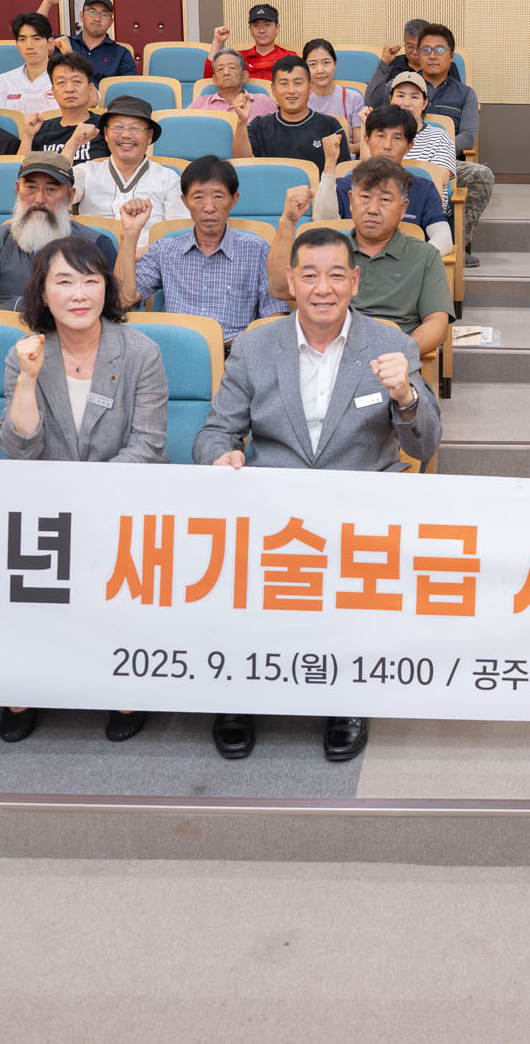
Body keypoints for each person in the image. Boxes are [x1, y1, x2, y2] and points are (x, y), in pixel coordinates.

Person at [192, 225, 440, 762]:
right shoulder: (255, 346)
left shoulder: (393, 345)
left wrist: (405, 395)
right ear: (290, 281)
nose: (322, 288)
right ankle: (239, 692)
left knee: (357, 576)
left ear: (355, 281)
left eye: (335, 275)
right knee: (233, 564)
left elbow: (424, 445)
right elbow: (215, 431)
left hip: (361, 508)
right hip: (275, 505)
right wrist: (220, 455)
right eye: (309, 275)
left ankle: (346, 697)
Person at [0, 235, 170, 744]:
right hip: (46, 507)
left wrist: (88, 499)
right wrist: (27, 380)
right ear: (42, 293)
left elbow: (148, 445)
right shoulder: (25, 353)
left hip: (123, 503)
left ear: (106, 289)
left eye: (91, 281)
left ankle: (123, 686)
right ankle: (27, 686)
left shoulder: (140, 352)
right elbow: (21, 449)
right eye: (64, 281)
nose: (79, 293)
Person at [272, 160, 451, 360]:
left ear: (403, 208)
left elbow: (437, 322)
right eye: (365, 197)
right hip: (326, 355)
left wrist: (402, 354)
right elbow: (280, 289)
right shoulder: (325, 250)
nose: (373, 209)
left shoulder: (425, 255)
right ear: (351, 201)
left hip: (391, 359)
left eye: (385, 200)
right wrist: (288, 221)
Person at [120, 155, 286, 329]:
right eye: (198, 197)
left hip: (236, 344)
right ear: (185, 201)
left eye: (218, 196)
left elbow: (275, 315)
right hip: (179, 343)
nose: (209, 208)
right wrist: (130, 235)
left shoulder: (257, 250)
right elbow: (125, 299)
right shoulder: (163, 250)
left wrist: (246, 342)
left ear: (234, 200)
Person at [0, 153, 118, 312]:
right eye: (30, 187)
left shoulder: (96, 244)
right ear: (17, 189)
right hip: (8, 334)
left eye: (51, 189)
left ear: (70, 196)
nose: (39, 199)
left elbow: (113, 308)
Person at [324, 105, 452, 248]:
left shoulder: (424, 188)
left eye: (397, 138)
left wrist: (416, 258)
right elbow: (323, 225)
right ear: (367, 140)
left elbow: (444, 237)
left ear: (409, 146)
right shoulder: (343, 186)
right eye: (380, 136)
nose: (387, 145)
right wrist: (330, 164)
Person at [75, 96, 182, 246]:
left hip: (147, 257)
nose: (126, 135)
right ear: (106, 134)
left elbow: (178, 236)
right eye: (118, 127)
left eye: (135, 128)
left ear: (149, 136)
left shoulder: (169, 179)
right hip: (91, 256)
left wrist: (135, 256)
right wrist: (73, 143)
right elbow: (55, 193)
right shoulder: (87, 172)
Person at [246, 55, 350, 170]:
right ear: (273, 89)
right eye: (284, 84)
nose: (291, 91)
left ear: (310, 87)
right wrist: (241, 122)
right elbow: (243, 163)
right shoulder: (258, 126)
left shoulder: (330, 126)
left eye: (298, 83)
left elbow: (343, 173)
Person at [26, 52, 108, 165]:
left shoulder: (105, 125)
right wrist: (28, 137)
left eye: (77, 81)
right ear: (53, 91)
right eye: (61, 82)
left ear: (90, 89)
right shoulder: (41, 129)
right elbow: (20, 170)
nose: (69, 89)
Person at [387, 72, 458, 199]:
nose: (406, 103)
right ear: (390, 99)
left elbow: (440, 178)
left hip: (426, 203)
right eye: (400, 95)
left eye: (414, 97)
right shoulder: (381, 134)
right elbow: (369, 173)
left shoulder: (439, 136)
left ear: (424, 103)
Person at [414, 23, 481, 157]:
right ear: (419, 55)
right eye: (426, 50)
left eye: (439, 50)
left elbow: (468, 137)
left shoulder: (466, 94)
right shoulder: (402, 88)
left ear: (451, 56)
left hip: (448, 159)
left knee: (482, 170)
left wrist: (437, 149)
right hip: (409, 158)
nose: (432, 56)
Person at [0, 11, 59, 115]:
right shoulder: (3, 82)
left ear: (50, 43)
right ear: (17, 44)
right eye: (22, 40)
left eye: (36, 39)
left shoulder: (64, 79)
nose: (29, 46)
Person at [305, 38, 366, 142]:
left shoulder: (353, 98)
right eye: (313, 64)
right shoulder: (299, 99)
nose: (320, 70)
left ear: (335, 64)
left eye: (326, 62)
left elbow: (359, 145)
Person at [191, 47, 276, 122]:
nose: (226, 73)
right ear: (215, 79)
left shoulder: (263, 102)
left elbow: (278, 130)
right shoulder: (199, 103)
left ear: (244, 76)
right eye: (220, 69)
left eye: (232, 68)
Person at [69, 0, 138, 83]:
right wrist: (50, 3)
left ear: (111, 22)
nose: (97, 18)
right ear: (82, 16)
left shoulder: (122, 55)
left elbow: (127, 88)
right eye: (92, 12)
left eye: (104, 14)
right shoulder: (64, 44)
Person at [362, 18, 430, 107]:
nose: (414, 52)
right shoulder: (393, 64)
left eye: (419, 47)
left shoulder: (437, 67)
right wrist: (384, 63)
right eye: (410, 46)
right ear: (404, 41)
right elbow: (371, 104)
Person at [215, 4, 292, 82]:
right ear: (250, 30)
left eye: (267, 25)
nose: (261, 30)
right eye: (256, 25)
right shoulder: (238, 58)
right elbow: (212, 78)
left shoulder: (290, 57)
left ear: (277, 28)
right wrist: (217, 42)